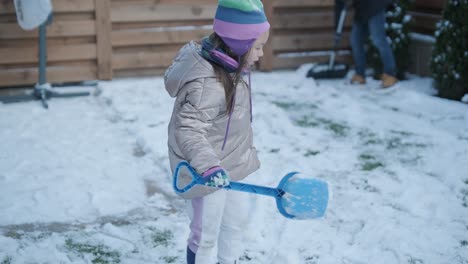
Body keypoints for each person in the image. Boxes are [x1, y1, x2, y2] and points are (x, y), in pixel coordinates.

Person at [164, 0, 270, 263]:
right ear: (238, 45)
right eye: (257, 47)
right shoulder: (208, 83)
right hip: (205, 173)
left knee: (234, 227)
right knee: (205, 236)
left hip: (231, 168)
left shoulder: (232, 69)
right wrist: (209, 167)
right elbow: (188, 130)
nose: (261, 54)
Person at [348, 0, 399, 88]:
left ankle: (390, 75)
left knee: (378, 39)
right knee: (356, 41)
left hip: (375, 5)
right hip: (361, 8)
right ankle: (360, 74)